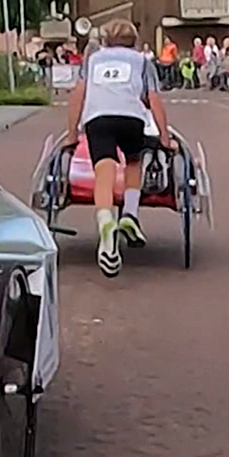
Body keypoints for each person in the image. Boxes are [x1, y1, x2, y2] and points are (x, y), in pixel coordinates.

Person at [63, 19, 177, 277]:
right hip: (130, 118)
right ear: (134, 41)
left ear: (105, 40)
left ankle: (105, 221)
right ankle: (129, 214)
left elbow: (78, 95)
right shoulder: (141, 61)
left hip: (98, 119)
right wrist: (165, 137)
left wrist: (72, 134)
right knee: (134, 161)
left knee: (104, 169)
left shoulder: (93, 60)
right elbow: (154, 100)